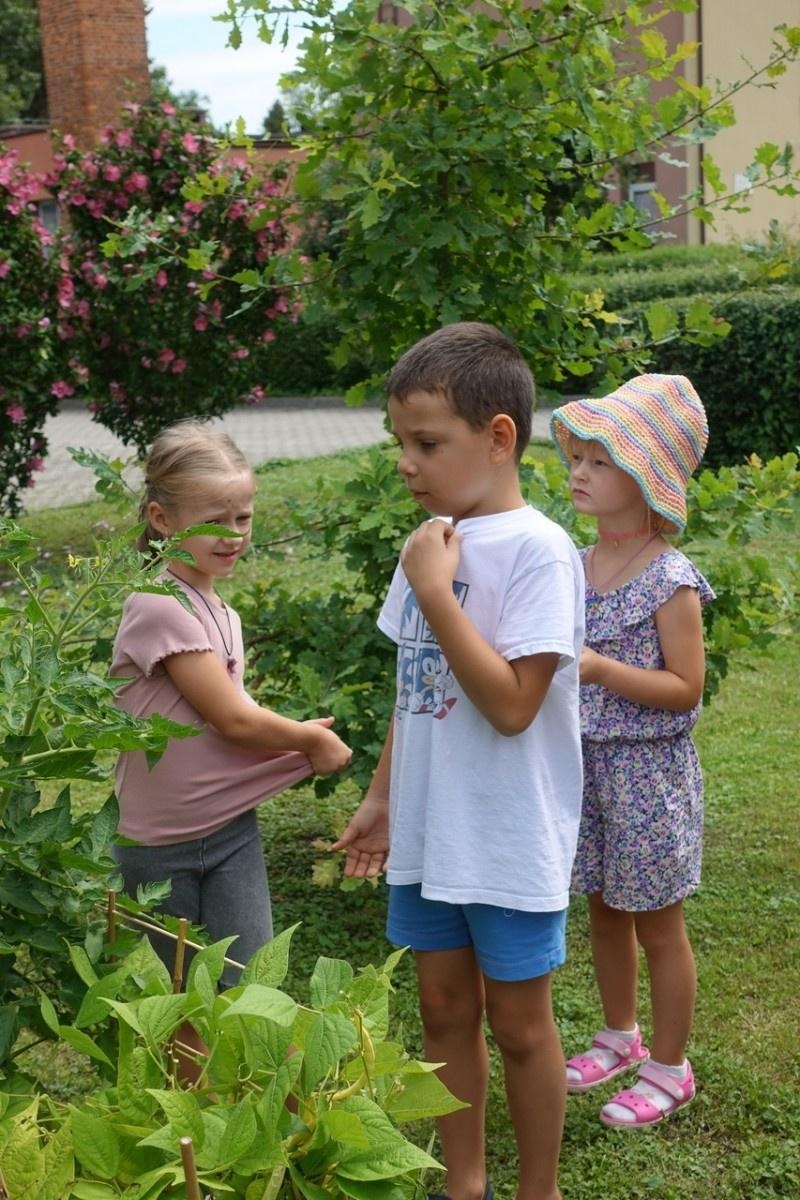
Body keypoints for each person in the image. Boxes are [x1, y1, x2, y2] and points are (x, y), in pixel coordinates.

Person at [333, 323, 585, 1200]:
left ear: (499, 437)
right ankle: (464, 1183)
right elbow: (418, 689)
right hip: (435, 834)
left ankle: (538, 1189)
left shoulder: (539, 551)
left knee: (520, 1027)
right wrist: (381, 798)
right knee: (442, 1011)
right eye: (400, 442)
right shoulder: (430, 544)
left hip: (508, 838)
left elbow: (515, 706)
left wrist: (439, 595)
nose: (408, 463)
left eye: (427, 443)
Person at [111, 420, 352, 1002]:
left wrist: (293, 735)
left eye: (243, 518)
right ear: (161, 519)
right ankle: (192, 1094)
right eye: (214, 520)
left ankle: (242, 1091)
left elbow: (232, 710)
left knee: (250, 991)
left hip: (228, 827)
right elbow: (234, 721)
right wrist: (307, 741)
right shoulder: (159, 604)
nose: (234, 534)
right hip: (160, 844)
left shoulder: (219, 609)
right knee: (181, 1006)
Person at [549, 373, 714, 1129]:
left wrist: (603, 669)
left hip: (648, 772)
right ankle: (619, 1035)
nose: (578, 472)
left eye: (599, 461)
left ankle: (671, 1068)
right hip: (582, 766)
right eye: (576, 458)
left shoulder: (669, 580)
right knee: (603, 909)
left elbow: (686, 690)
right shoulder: (572, 566)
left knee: (657, 922)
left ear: (647, 478)